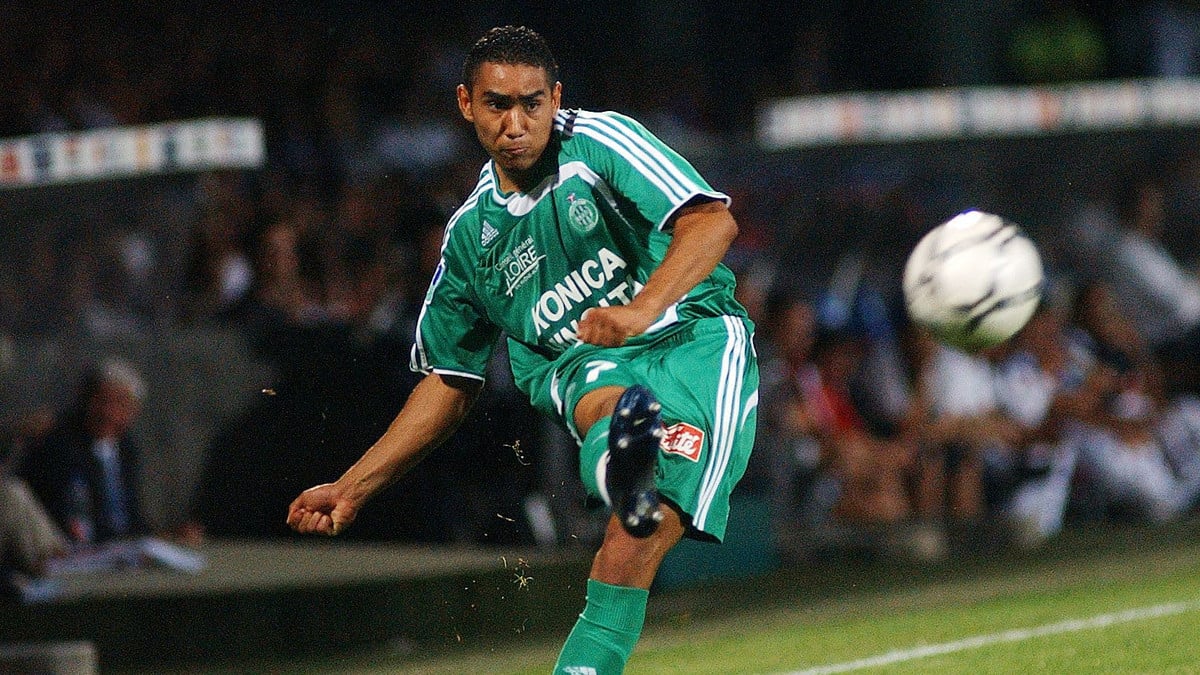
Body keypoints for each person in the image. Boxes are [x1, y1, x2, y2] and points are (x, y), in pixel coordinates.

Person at [286, 25, 758, 673]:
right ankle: (623, 453)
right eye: (497, 104)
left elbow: (712, 220)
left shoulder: (599, 142)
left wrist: (640, 309)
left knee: (628, 550)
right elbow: (449, 379)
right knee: (599, 417)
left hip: (692, 343)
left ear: (555, 98)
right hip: (589, 366)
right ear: (466, 104)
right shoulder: (469, 239)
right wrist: (353, 486)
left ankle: (621, 457)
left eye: (532, 103)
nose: (516, 123)